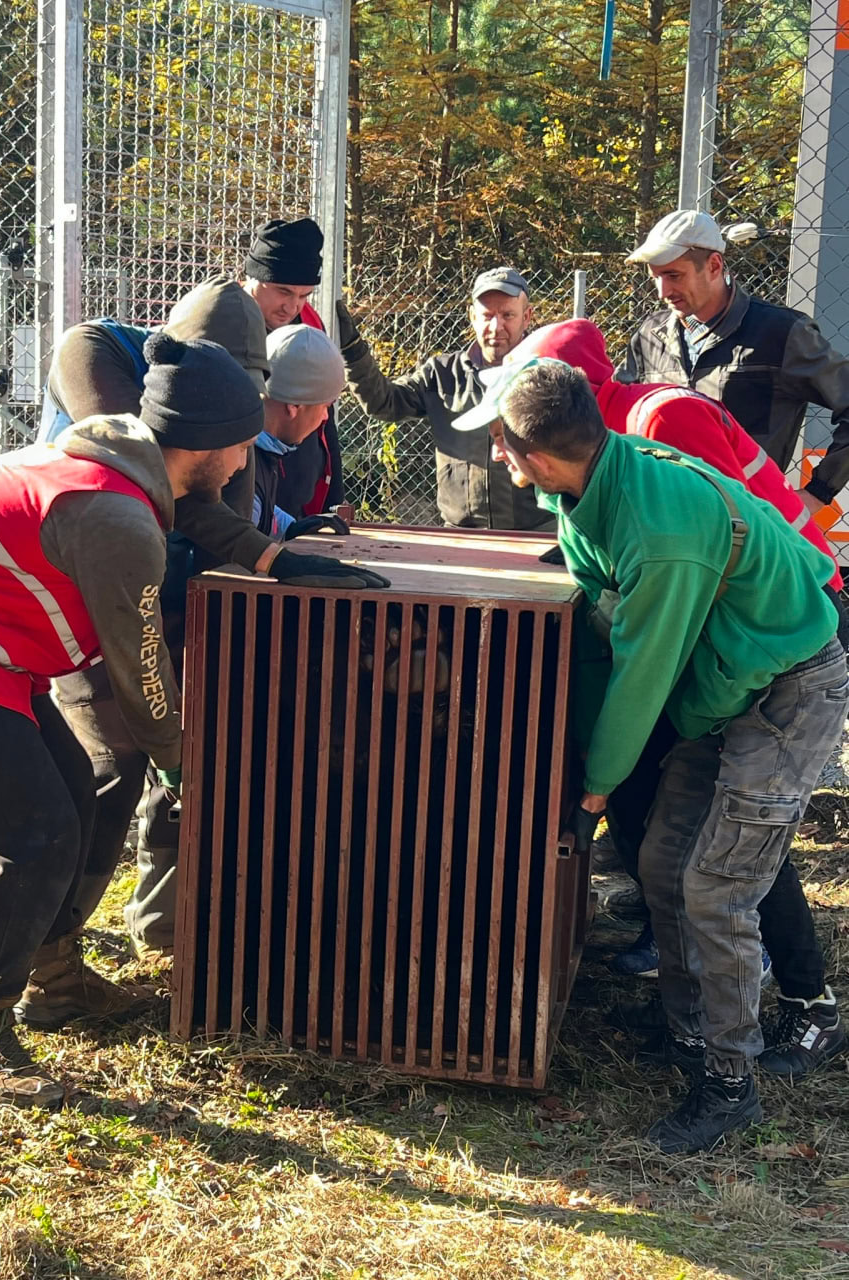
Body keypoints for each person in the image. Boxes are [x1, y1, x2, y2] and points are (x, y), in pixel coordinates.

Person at [0, 335, 264, 1109]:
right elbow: (140, 675)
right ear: (200, 445)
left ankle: (54, 978)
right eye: (237, 448)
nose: (240, 466)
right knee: (31, 835)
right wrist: (183, 765)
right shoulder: (116, 522)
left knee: (75, 793)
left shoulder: (117, 469)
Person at [453, 357, 848, 1153]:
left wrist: (596, 786)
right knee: (665, 862)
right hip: (722, 681)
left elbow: (642, 673)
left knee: (716, 885)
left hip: (785, 685)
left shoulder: (660, 532)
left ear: (530, 448)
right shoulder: (578, 492)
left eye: (498, 442)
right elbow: (602, 627)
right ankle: (692, 1037)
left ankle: (728, 1085)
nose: (493, 455)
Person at [40, 280, 387, 968]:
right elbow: (153, 480)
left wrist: (278, 551)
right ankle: (51, 958)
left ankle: (165, 926)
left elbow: (222, 498)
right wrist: (267, 556)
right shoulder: (94, 356)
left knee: (188, 748)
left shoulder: (221, 417)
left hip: (167, 590)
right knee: (111, 768)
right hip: (82, 598)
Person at [623, 208, 849, 519]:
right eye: (656, 277)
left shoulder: (780, 333)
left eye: (674, 275)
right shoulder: (649, 336)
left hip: (749, 531)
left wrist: (818, 493)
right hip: (659, 522)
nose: (663, 291)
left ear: (714, 265)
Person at [336, 266, 551, 532]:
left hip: (536, 535)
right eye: (487, 315)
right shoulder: (442, 373)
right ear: (472, 316)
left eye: (508, 315)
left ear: (527, 317)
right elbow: (384, 403)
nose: (497, 326)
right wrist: (353, 351)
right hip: (460, 533)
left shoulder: (546, 374)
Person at [241, 216, 344, 518]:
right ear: (253, 278)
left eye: (304, 295)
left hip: (299, 495)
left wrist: (332, 501)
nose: (292, 306)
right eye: (283, 292)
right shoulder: (225, 322)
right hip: (244, 496)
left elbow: (326, 419)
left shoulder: (309, 322)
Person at [252, 325, 348, 537]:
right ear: (294, 406)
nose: (325, 417)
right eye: (324, 406)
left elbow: (260, 513)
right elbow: (239, 530)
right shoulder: (237, 458)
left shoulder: (256, 446)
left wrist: (292, 527)